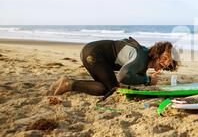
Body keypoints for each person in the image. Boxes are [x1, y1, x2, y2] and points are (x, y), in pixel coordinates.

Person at [51, 38, 179, 96]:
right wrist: (147, 80)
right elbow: (122, 76)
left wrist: (146, 78)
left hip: (91, 52)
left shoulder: (143, 58)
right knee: (109, 89)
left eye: (167, 64)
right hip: (94, 54)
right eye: (164, 59)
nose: (164, 64)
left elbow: (133, 74)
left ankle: (63, 83)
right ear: (157, 54)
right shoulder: (141, 58)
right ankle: (69, 84)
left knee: (104, 85)